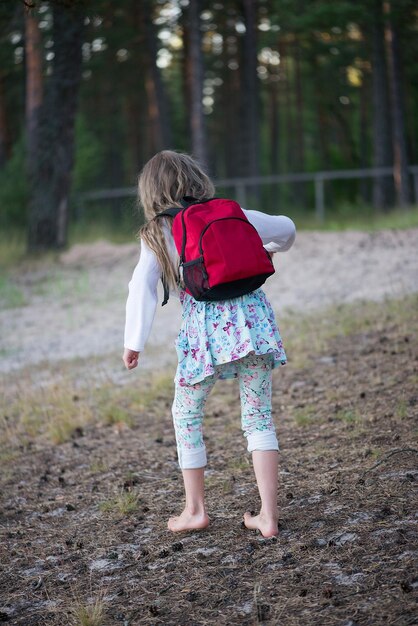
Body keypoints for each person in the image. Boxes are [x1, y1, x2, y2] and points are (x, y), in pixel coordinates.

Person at [122, 150, 296, 538]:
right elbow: (286, 228)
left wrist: (134, 341)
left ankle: (195, 510)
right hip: (254, 323)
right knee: (258, 418)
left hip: (205, 335)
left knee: (186, 415)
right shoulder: (233, 213)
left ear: (151, 191)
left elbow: (142, 288)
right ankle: (268, 516)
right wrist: (270, 248)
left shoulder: (157, 233)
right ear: (196, 178)